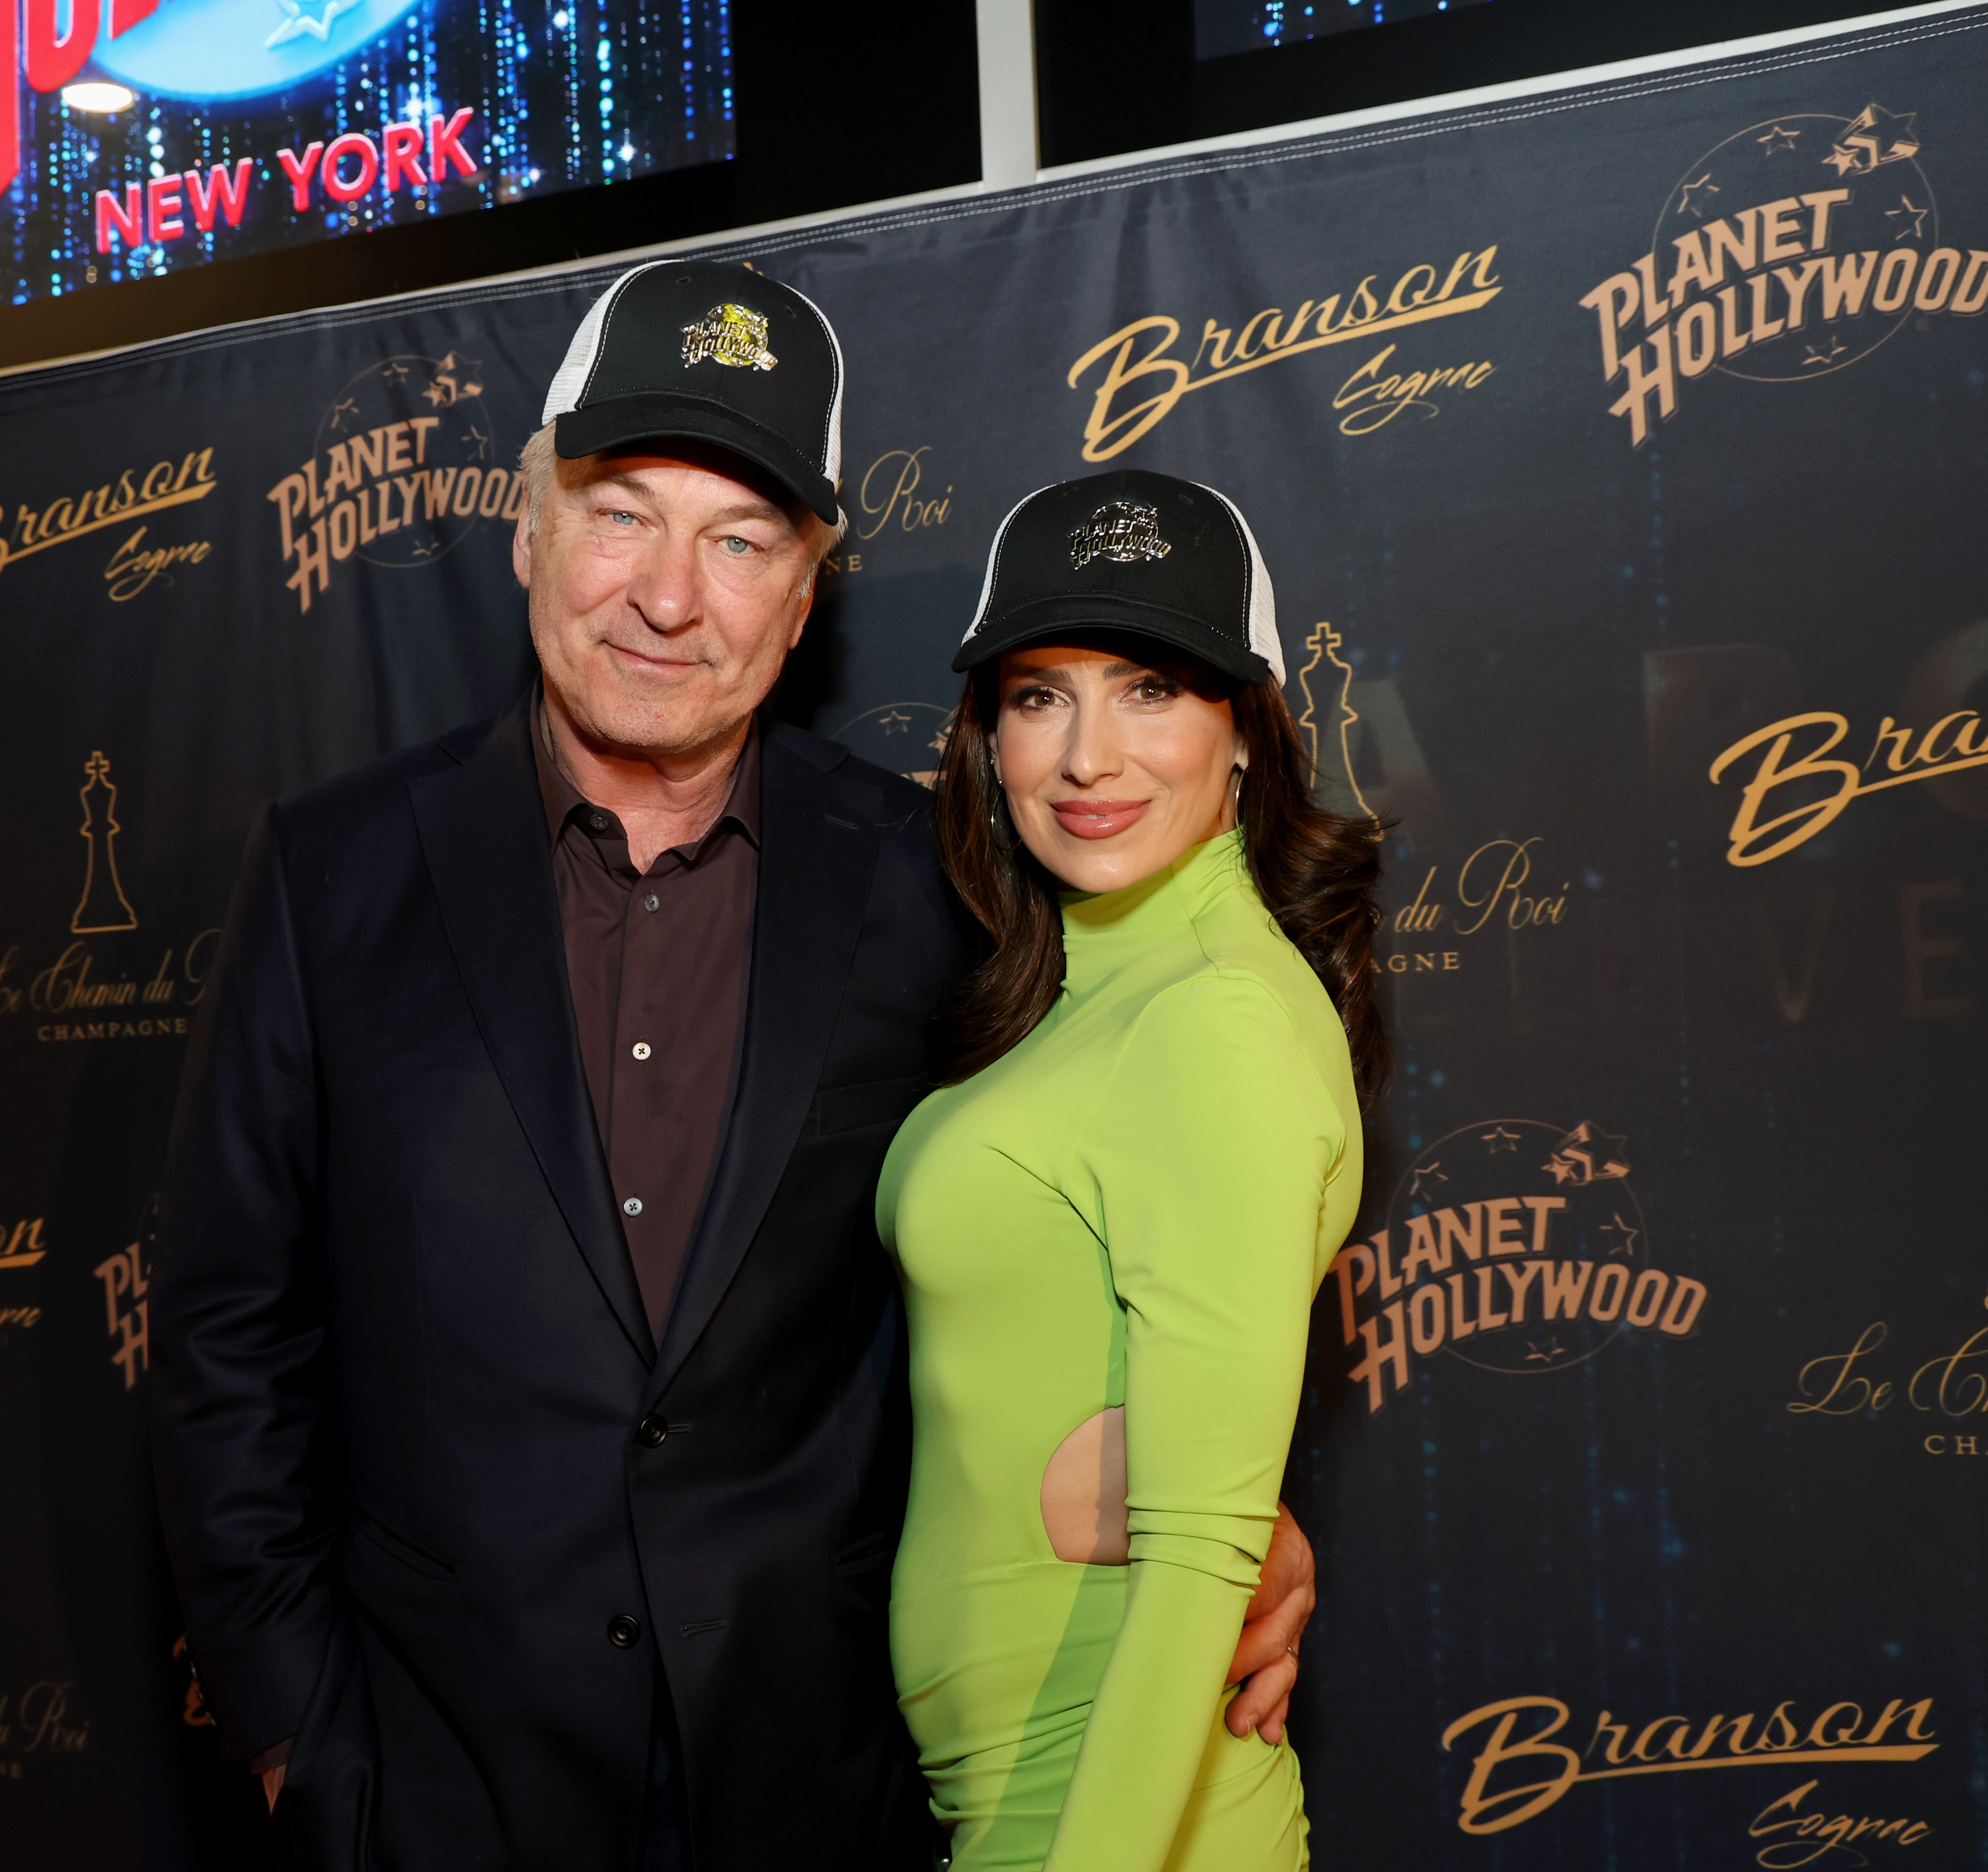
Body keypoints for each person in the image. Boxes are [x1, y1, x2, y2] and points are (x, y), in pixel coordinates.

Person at [146, 264, 1317, 1872]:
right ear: (527, 529)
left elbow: (1110, 1240)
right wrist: (301, 1741)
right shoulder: (328, 874)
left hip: (822, 1789)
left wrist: (1234, 1512)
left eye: (742, 539)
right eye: (621, 512)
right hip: (430, 1792)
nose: (670, 596)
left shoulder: (944, 884)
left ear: (810, 588)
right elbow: (223, 1333)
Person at [878, 470, 1385, 1870]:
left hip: (1118, 1814)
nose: (1086, 756)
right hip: (1018, 1794)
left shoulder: (1215, 1014)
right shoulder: (1091, 983)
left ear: (1246, 733)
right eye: (1039, 695)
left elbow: (1196, 1569)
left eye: (1150, 688)